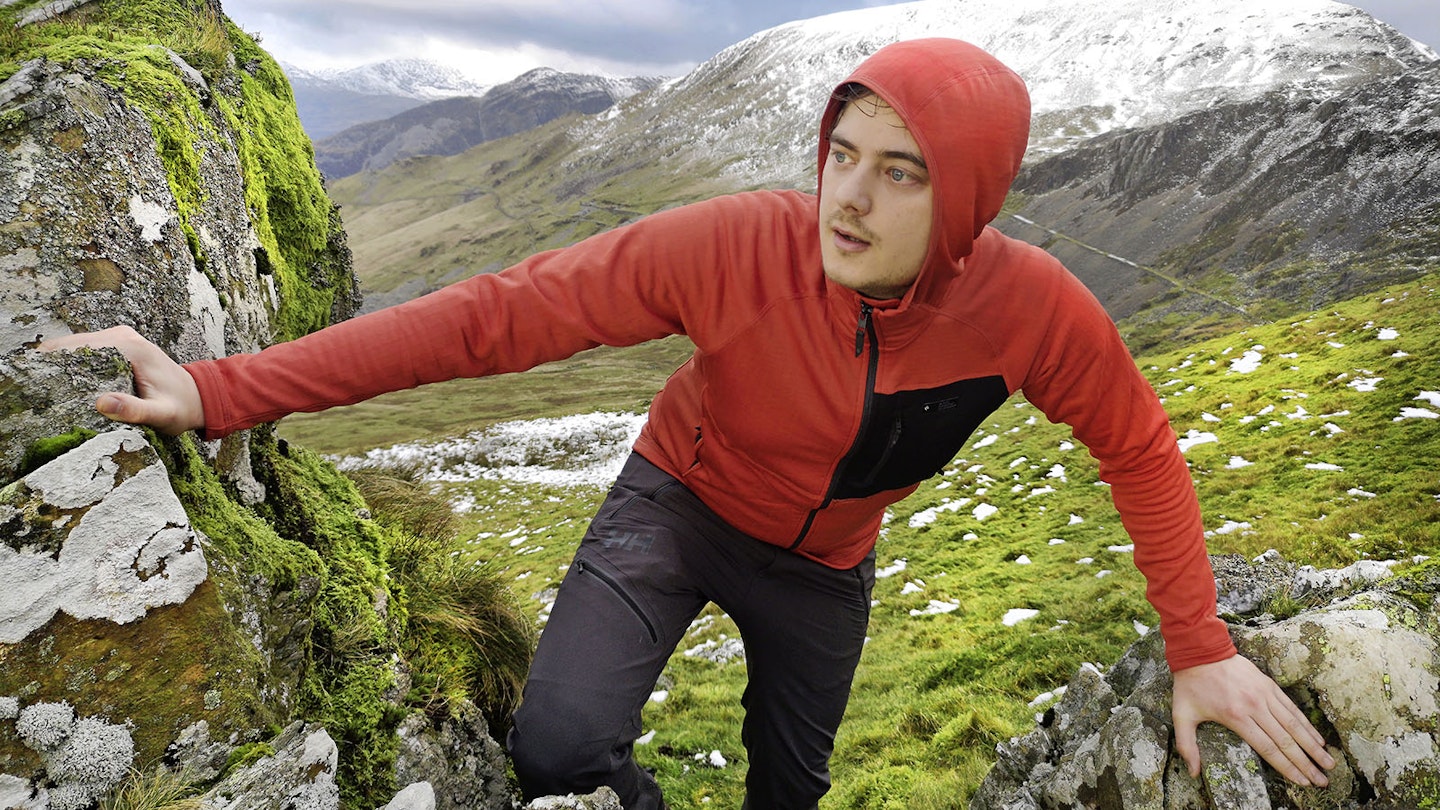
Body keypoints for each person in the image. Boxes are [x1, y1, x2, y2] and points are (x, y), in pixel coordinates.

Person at [42, 38, 1334, 809]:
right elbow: (491, 318)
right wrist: (224, 388)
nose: (850, 195)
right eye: (843, 151)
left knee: (792, 797)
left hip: (825, 573)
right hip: (675, 503)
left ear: (973, 197)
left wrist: (1202, 642)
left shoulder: (1028, 310)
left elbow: (1138, 446)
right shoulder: (735, 248)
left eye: (904, 171)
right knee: (553, 749)